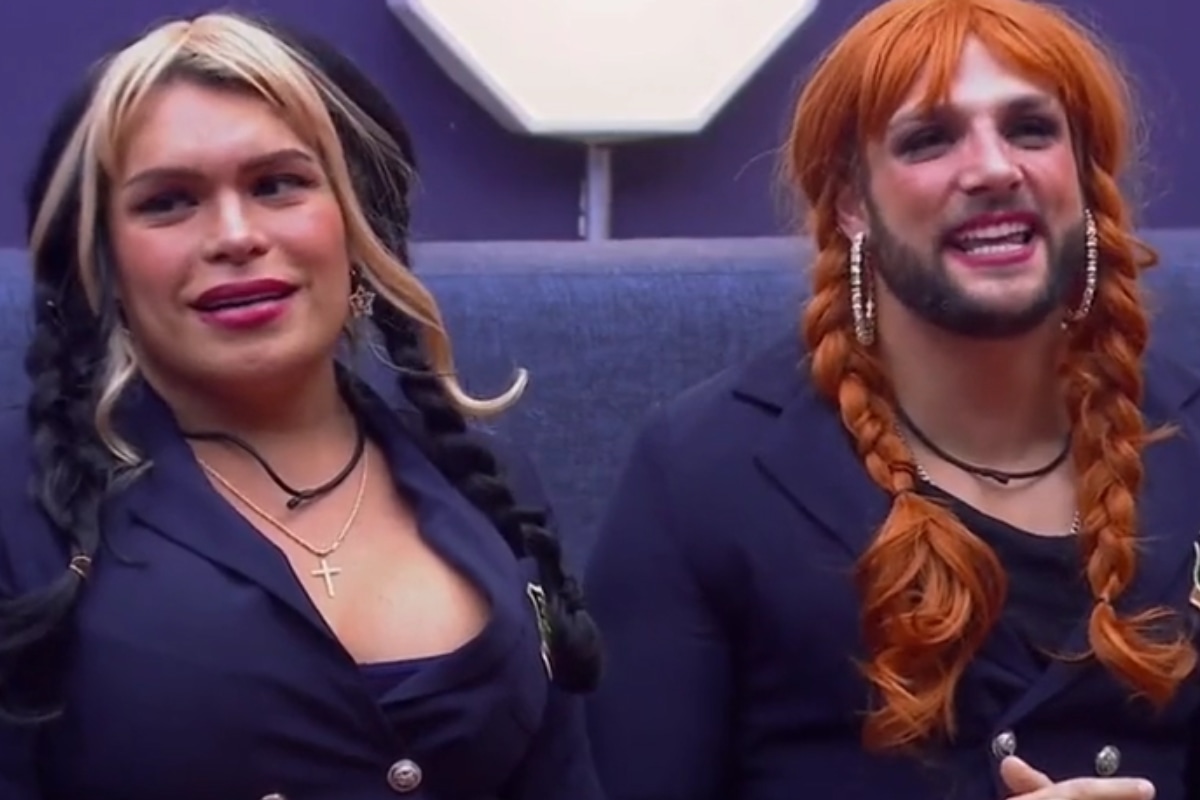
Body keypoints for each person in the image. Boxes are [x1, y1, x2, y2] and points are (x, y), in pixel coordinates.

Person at [584, 0, 1200, 798]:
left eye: (1030, 130)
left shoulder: (1185, 436)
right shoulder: (702, 476)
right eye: (929, 139)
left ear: (1084, 175)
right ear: (851, 200)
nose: (992, 168)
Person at [0, 11, 603, 800]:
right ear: (102, 259)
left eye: (277, 185)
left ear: (358, 224)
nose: (235, 235)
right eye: (169, 202)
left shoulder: (489, 484)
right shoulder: (18, 509)